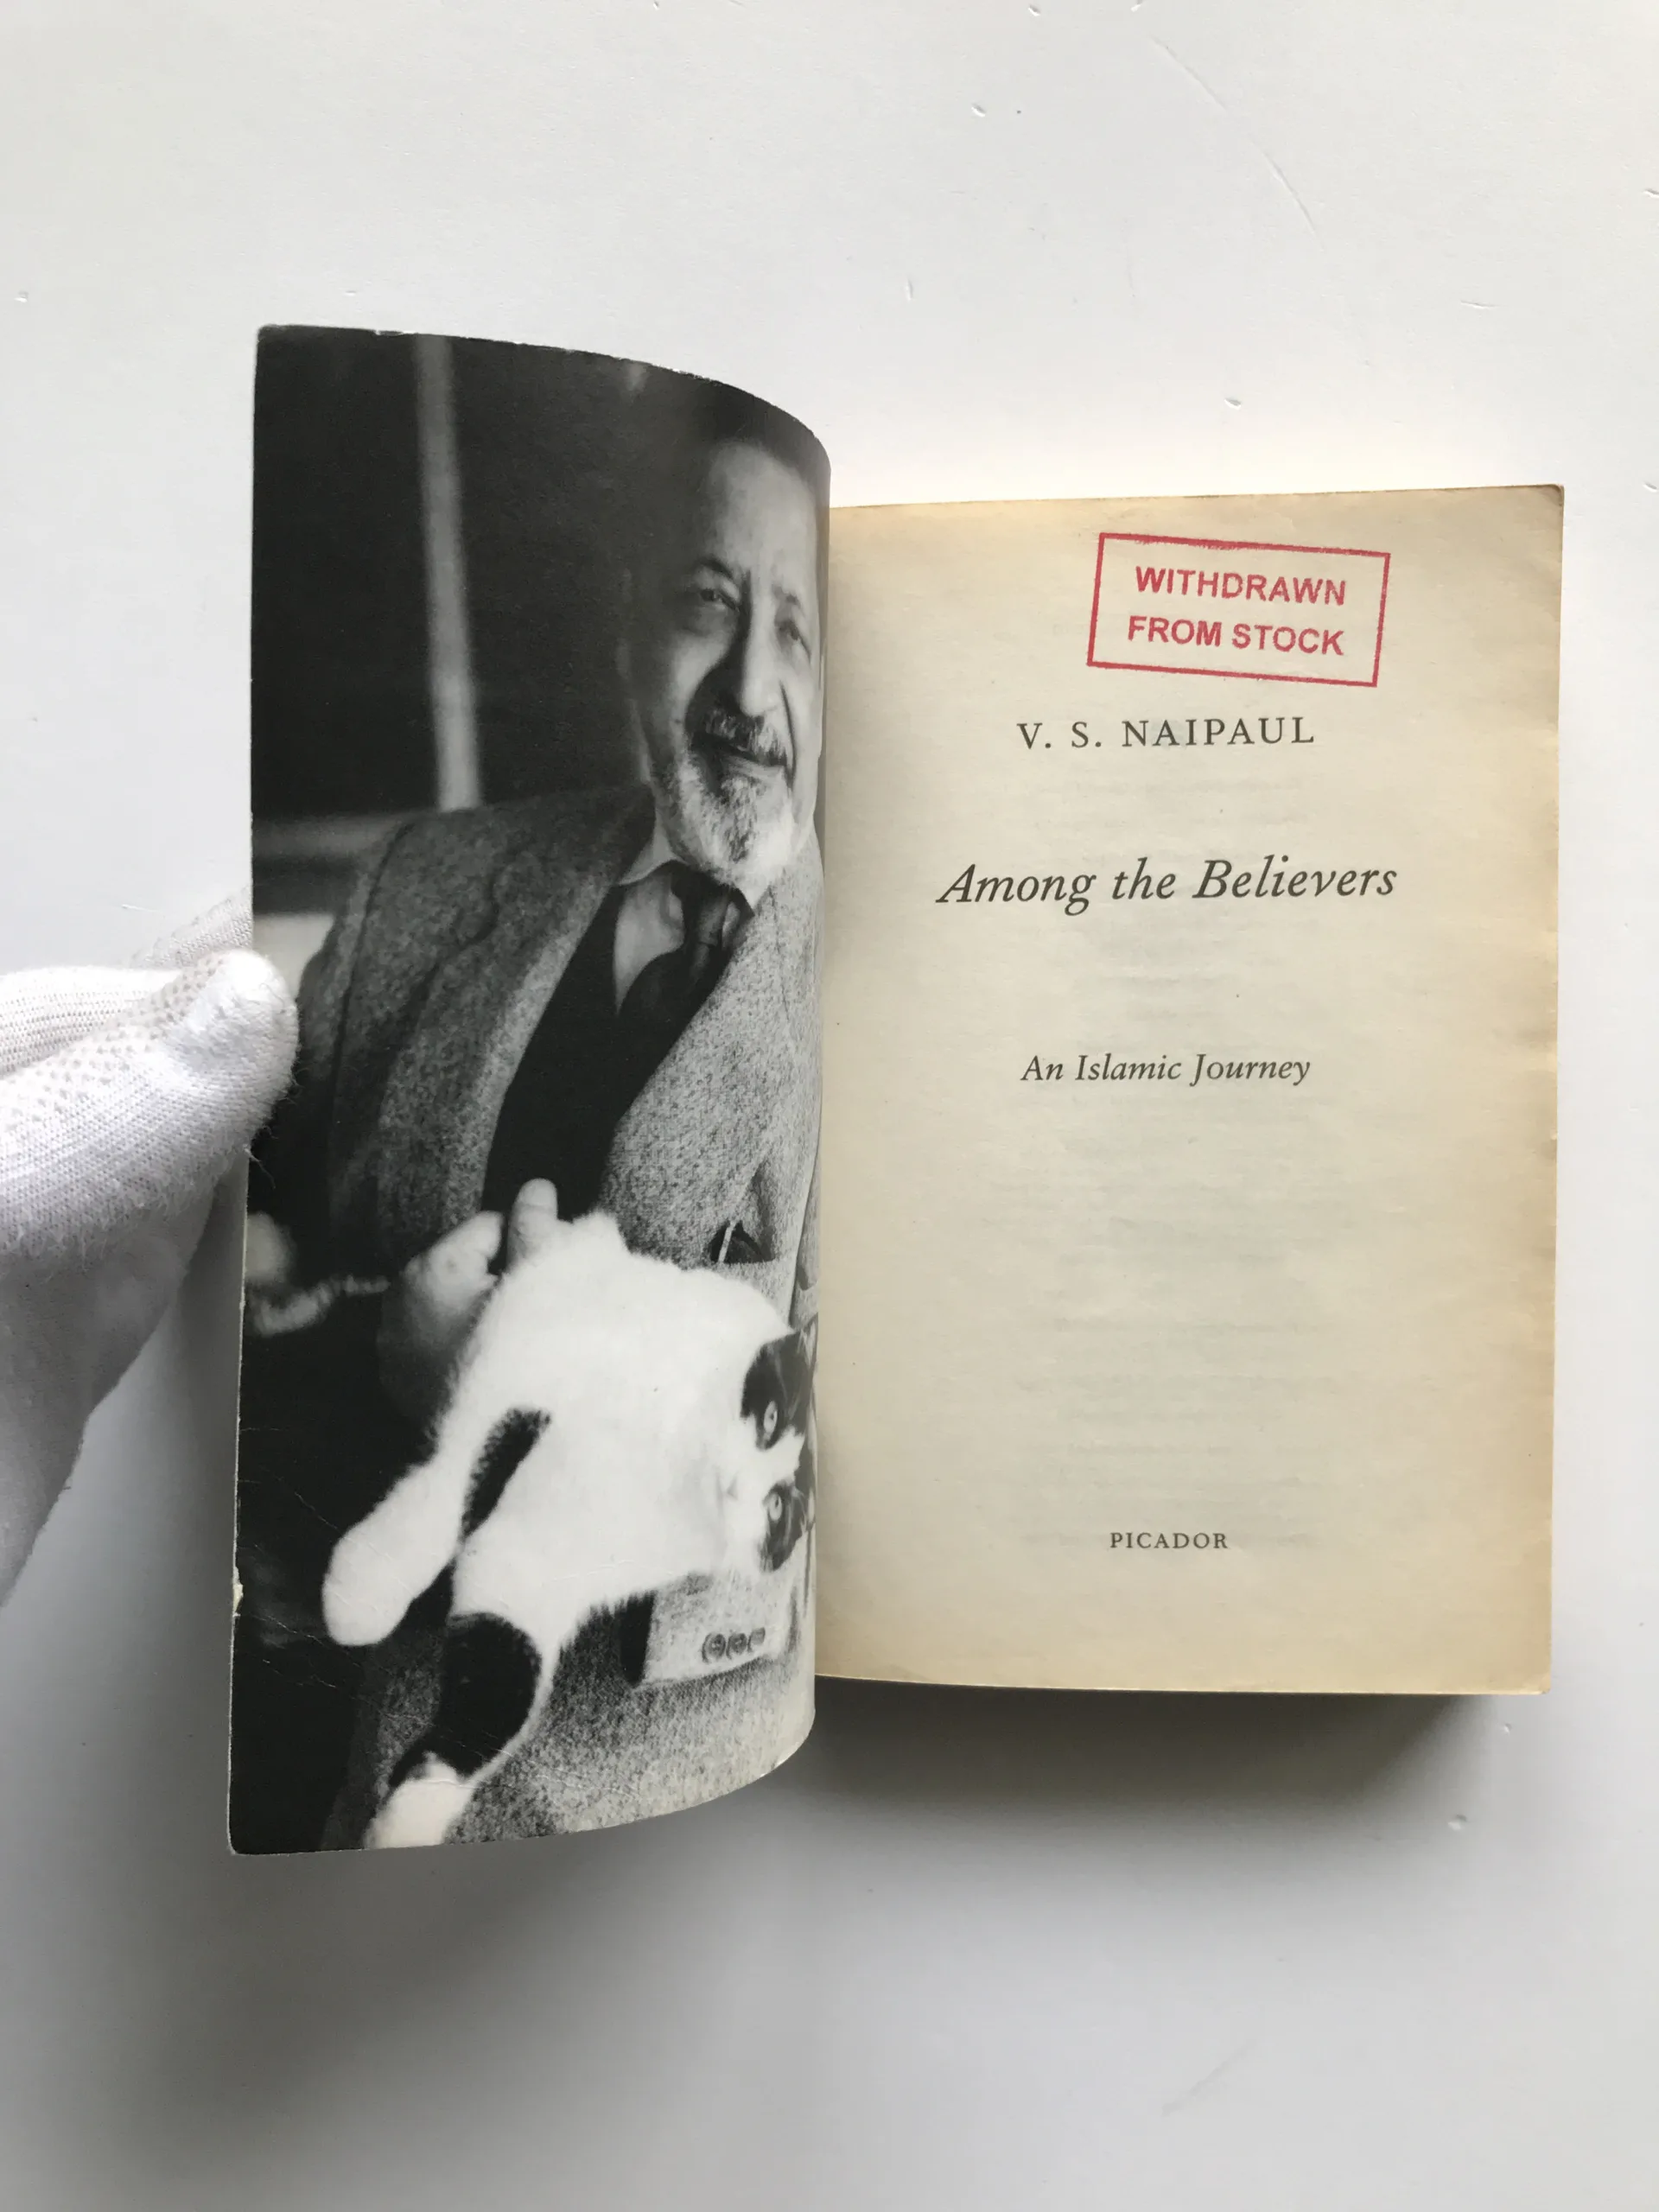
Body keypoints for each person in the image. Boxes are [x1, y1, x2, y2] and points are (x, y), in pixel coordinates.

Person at [232, 376, 827, 1849]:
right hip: (308, 1778)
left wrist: (488, 1380)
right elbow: (228, 1300)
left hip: (649, 1841)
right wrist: (352, 1362)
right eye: (708, 604)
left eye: (797, 630)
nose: (749, 691)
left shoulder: (898, 985)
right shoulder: (423, 887)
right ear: (628, 624)